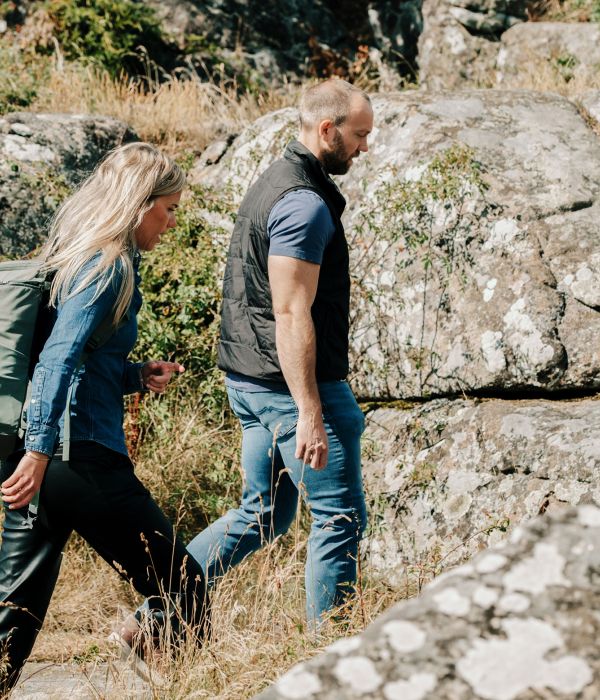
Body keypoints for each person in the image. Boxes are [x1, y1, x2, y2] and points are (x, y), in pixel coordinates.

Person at [0, 142, 208, 691]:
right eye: (169, 209)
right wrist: (39, 451)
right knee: (185, 588)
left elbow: (80, 362)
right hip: (79, 458)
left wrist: (134, 375)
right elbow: (58, 357)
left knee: (14, 613)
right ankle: (188, 687)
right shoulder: (107, 265)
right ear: (140, 205)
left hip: (45, 458)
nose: (171, 222)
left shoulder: (76, 255)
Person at [190, 78, 374, 625]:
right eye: (359, 135)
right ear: (328, 130)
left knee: (263, 514)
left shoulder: (275, 181)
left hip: (251, 380)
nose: (365, 147)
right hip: (289, 390)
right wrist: (310, 412)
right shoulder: (304, 204)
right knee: (339, 517)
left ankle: (155, 619)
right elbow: (291, 313)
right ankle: (331, 657)